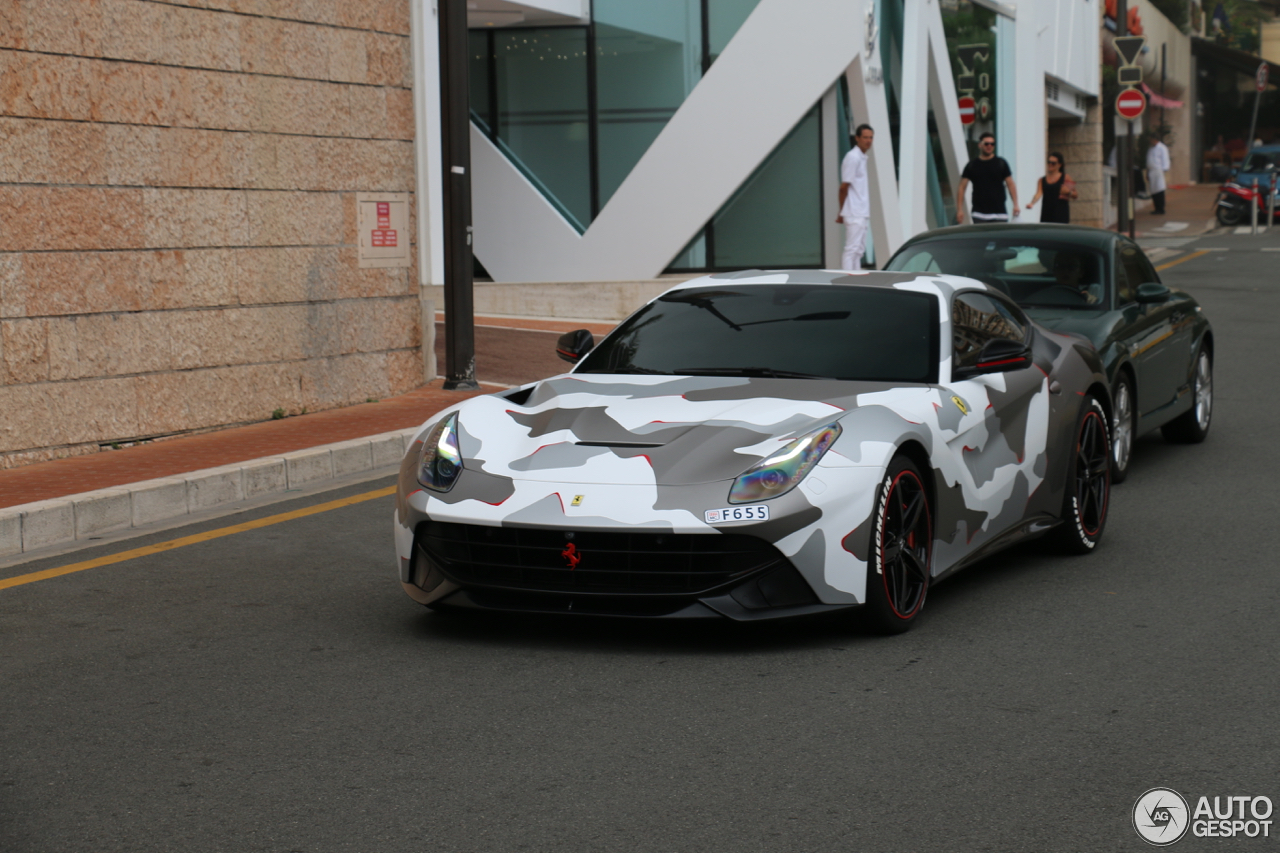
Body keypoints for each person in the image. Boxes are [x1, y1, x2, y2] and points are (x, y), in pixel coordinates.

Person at [956, 132, 1019, 224]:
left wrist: (1016, 205)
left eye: (992, 144)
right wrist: (959, 209)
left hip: (1000, 213)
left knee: (999, 238)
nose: (989, 146)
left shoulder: (1001, 163)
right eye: (986, 144)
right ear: (980, 145)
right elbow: (961, 187)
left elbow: (1010, 184)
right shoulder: (972, 165)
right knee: (980, 238)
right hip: (979, 214)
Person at [837, 124, 873, 270]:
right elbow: (844, 187)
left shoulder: (862, 157)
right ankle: (848, 280)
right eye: (865, 137)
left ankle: (855, 278)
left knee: (858, 251)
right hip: (854, 211)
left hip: (860, 211)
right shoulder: (853, 157)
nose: (868, 141)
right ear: (857, 138)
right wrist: (841, 211)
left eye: (870, 137)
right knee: (851, 250)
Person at [1026, 151, 1078, 223]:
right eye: (1049, 162)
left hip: (1061, 215)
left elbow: (1075, 195)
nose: (1050, 164)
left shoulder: (1065, 177)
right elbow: (1038, 193)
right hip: (1047, 214)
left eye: (1053, 163)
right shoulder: (1042, 180)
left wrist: (1068, 192)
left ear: (1059, 165)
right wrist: (1032, 203)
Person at [1147, 132, 1171, 214]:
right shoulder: (1151, 148)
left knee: (1159, 189)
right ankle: (1156, 208)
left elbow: (1165, 159)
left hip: (1158, 170)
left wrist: (1164, 170)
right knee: (1153, 191)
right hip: (1151, 171)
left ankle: (1161, 208)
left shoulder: (1162, 148)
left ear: (1155, 139)